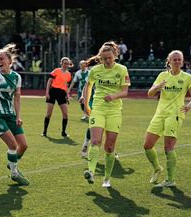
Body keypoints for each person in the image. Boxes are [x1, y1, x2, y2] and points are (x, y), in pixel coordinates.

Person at [143, 50, 191, 187]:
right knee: (147, 145)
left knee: (168, 147)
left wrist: (189, 105)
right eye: (175, 59)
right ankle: (157, 168)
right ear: (169, 61)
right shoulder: (162, 75)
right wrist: (156, 87)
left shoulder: (187, 77)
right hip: (160, 113)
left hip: (175, 114)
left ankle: (170, 179)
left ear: (182, 61)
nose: (177, 62)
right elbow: (149, 93)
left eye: (180, 59)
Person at [81, 41, 130, 188]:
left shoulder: (122, 69)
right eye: (104, 58)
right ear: (100, 58)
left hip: (114, 111)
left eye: (109, 57)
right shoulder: (95, 70)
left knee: (109, 147)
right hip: (98, 108)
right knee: (95, 141)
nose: (107, 61)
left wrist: (113, 96)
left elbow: (125, 92)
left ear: (115, 55)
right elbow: (88, 86)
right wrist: (85, 102)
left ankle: (107, 178)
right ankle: (91, 171)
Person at [0, 43, 30, 186]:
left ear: (9, 61)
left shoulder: (17, 77)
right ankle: (15, 173)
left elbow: (17, 97)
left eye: (1, 59)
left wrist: (18, 116)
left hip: (10, 115)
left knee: (24, 145)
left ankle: (12, 162)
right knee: (13, 144)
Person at [42, 57, 73, 137]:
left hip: (62, 93)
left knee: (65, 114)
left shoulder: (69, 74)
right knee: (49, 114)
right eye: (64, 63)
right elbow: (49, 82)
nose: (66, 65)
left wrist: (67, 96)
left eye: (67, 64)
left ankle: (63, 132)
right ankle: (45, 132)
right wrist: (47, 93)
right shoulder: (56, 71)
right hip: (53, 92)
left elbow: (66, 86)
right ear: (61, 63)